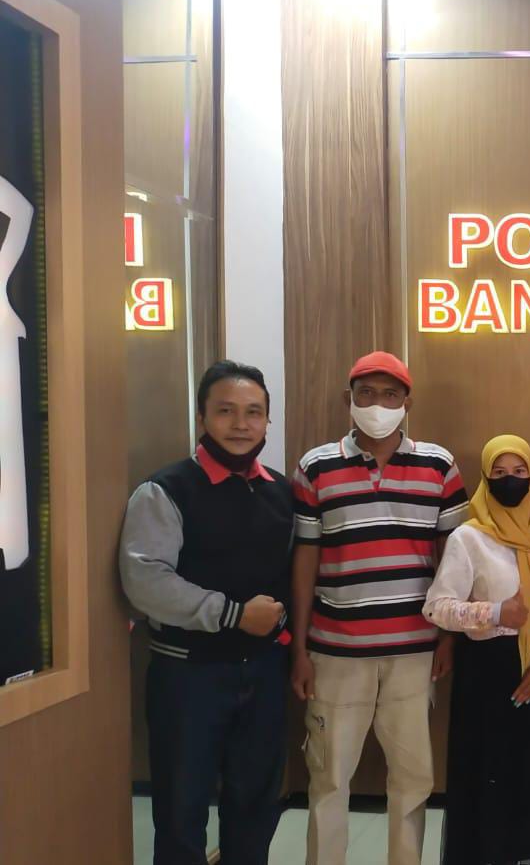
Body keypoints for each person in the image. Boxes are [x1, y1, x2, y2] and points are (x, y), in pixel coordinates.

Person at [289, 351, 468, 865]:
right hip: (335, 652)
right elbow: (305, 557)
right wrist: (298, 649)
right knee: (328, 779)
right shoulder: (315, 466)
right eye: (366, 393)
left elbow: (452, 559)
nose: (378, 404)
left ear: (407, 403)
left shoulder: (439, 465)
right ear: (348, 399)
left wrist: (447, 637)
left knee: (412, 780)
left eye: (390, 395)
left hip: (414, 651)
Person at [120, 360, 292, 865]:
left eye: (253, 412)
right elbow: (145, 581)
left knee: (256, 806)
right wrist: (233, 614)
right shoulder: (165, 489)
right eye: (225, 411)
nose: (241, 424)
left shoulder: (281, 491)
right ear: (201, 417)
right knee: (181, 811)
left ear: (267, 420)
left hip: (265, 674)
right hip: (188, 676)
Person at [424, 434, 530, 864]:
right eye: (500, 472)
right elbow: (437, 607)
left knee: (526, 775)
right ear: (486, 478)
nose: (511, 480)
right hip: (484, 671)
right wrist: (495, 612)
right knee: (485, 774)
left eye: (519, 471)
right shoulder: (469, 538)